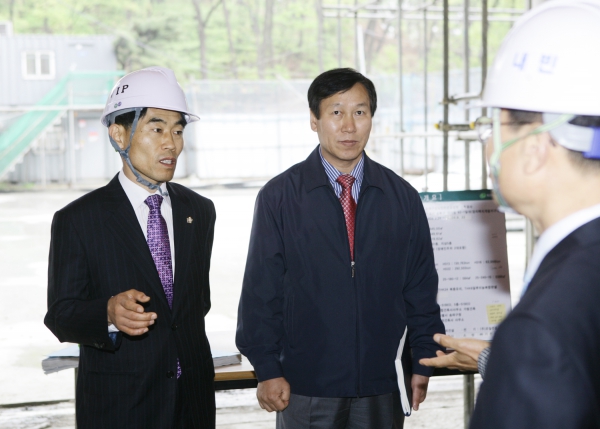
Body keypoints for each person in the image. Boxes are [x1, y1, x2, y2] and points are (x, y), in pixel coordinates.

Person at [420, 1, 600, 427]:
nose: (488, 146)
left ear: (537, 147)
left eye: (493, 125)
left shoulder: (541, 326)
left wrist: (519, 355)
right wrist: (495, 358)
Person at [236, 68, 445, 428]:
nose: (349, 126)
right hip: (304, 385)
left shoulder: (402, 197)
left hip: (382, 384)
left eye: (360, 112)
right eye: (336, 112)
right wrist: (267, 369)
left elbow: (420, 287)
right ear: (314, 121)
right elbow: (260, 291)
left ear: (371, 119)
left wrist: (422, 357)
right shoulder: (280, 197)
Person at [44, 66, 216, 428]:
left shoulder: (199, 211)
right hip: (122, 407)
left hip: (193, 405)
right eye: (157, 129)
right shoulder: (78, 220)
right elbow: (60, 314)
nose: (171, 142)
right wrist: (107, 312)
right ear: (119, 134)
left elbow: (197, 303)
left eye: (178, 130)